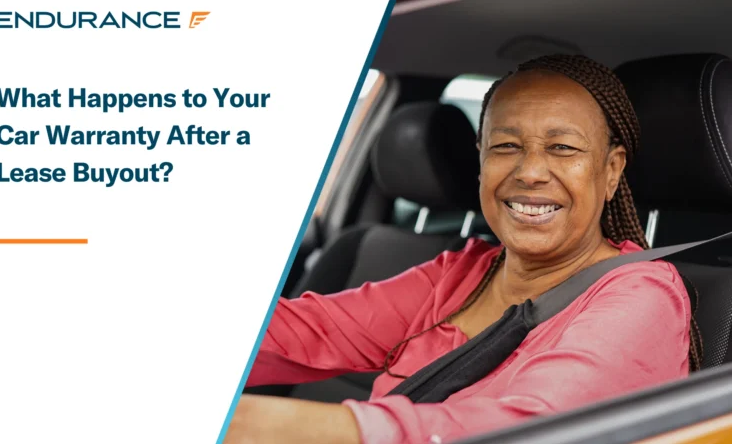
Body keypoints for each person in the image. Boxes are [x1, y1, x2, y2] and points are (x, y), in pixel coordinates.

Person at [224, 55, 702, 444]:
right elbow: (307, 333)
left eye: (562, 149)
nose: (530, 171)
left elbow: (535, 430)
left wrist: (265, 426)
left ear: (612, 171)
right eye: (506, 146)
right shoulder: (462, 273)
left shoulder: (643, 296)